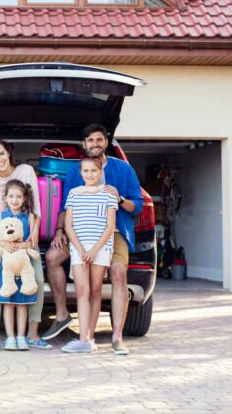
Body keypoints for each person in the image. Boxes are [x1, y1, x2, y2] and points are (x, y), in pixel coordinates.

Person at [43, 123, 143, 356]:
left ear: (106, 142)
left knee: (118, 273)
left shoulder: (124, 169)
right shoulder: (76, 171)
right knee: (53, 256)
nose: (95, 144)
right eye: (90, 141)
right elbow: (64, 208)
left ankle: (117, 336)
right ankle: (62, 315)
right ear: (84, 144)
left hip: (113, 233)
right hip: (79, 234)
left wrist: (119, 199)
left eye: (99, 140)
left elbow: (136, 205)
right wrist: (60, 231)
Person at [0, 139, 52, 352]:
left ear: (8, 152)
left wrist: (32, 236)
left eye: (1, 154)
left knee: (35, 278)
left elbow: (36, 206)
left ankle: (33, 334)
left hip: (26, 230)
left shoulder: (26, 171)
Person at [60, 157, 117, 353]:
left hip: (100, 248)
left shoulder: (108, 194)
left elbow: (110, 227)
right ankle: (83, 338)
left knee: (95, 291)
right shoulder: (74, 194)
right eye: (86, 171)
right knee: (81, 292)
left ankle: (90, 337)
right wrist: (81, 249)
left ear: (100, 172)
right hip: (79, 248)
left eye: (94, 170)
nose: (90, 174)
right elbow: (68, 225)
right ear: (81, 173)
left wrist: (94, 250)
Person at [0, 180, 39, 351]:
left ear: (24, 198)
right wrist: (3, 243)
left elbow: (33, 241)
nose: (15, 200)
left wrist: (22, 246)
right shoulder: (1, 216)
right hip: (7, 267)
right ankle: (10, 337)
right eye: (11, 196)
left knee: (23, 302)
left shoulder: (30, 216)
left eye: (19, 196)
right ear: (5, 198)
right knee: (8, 302)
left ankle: (21, 337)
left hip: (24, 266)